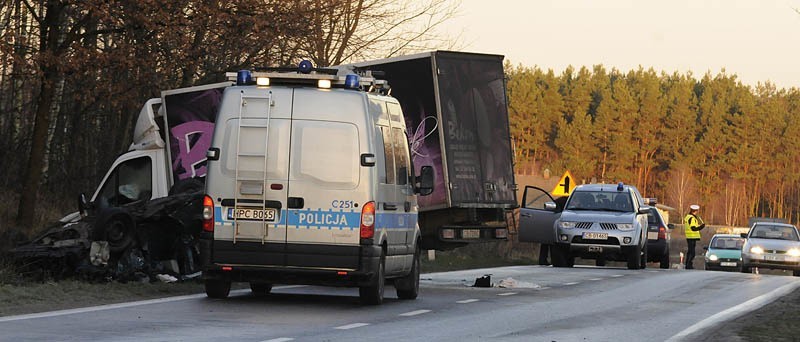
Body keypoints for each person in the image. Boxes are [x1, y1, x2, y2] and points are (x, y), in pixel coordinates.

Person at [684, 204, 706, 269]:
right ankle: (689, 265)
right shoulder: (692, 218)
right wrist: (701, 227)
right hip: (692, 236)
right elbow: (693, 228)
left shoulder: (688, 217)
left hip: (689, 236)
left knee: (690, 251)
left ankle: (688, 264)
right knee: (692, 252)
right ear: (695, 211)